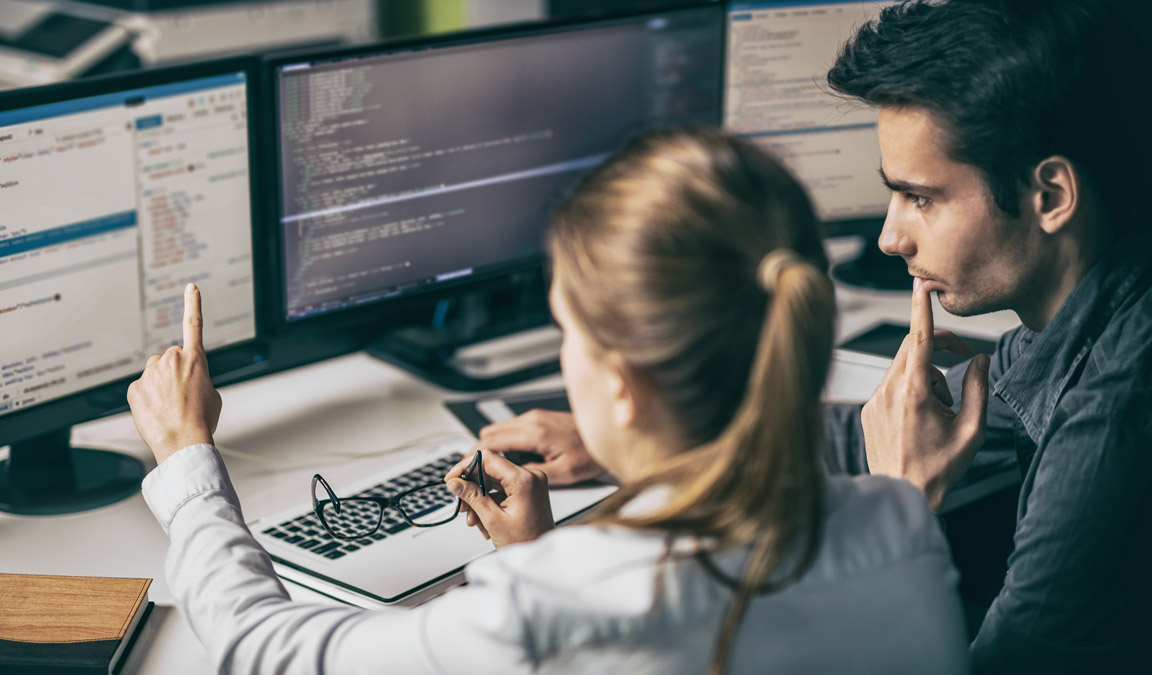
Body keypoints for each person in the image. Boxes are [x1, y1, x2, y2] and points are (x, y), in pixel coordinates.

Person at [128, 130, 968, 674]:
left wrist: (186, 457)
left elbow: (263, 649)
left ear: (623, 386)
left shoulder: (566, 600)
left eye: (568, 328)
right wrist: (522, 556)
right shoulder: (901, 522)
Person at [484, 1, 1152, 672]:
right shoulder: (1079, 317)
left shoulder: (1116, 416)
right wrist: (654, 431)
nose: (891, 237)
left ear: (1050, 195)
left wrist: (902, 507)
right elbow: (897, 429)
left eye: (921, 197)